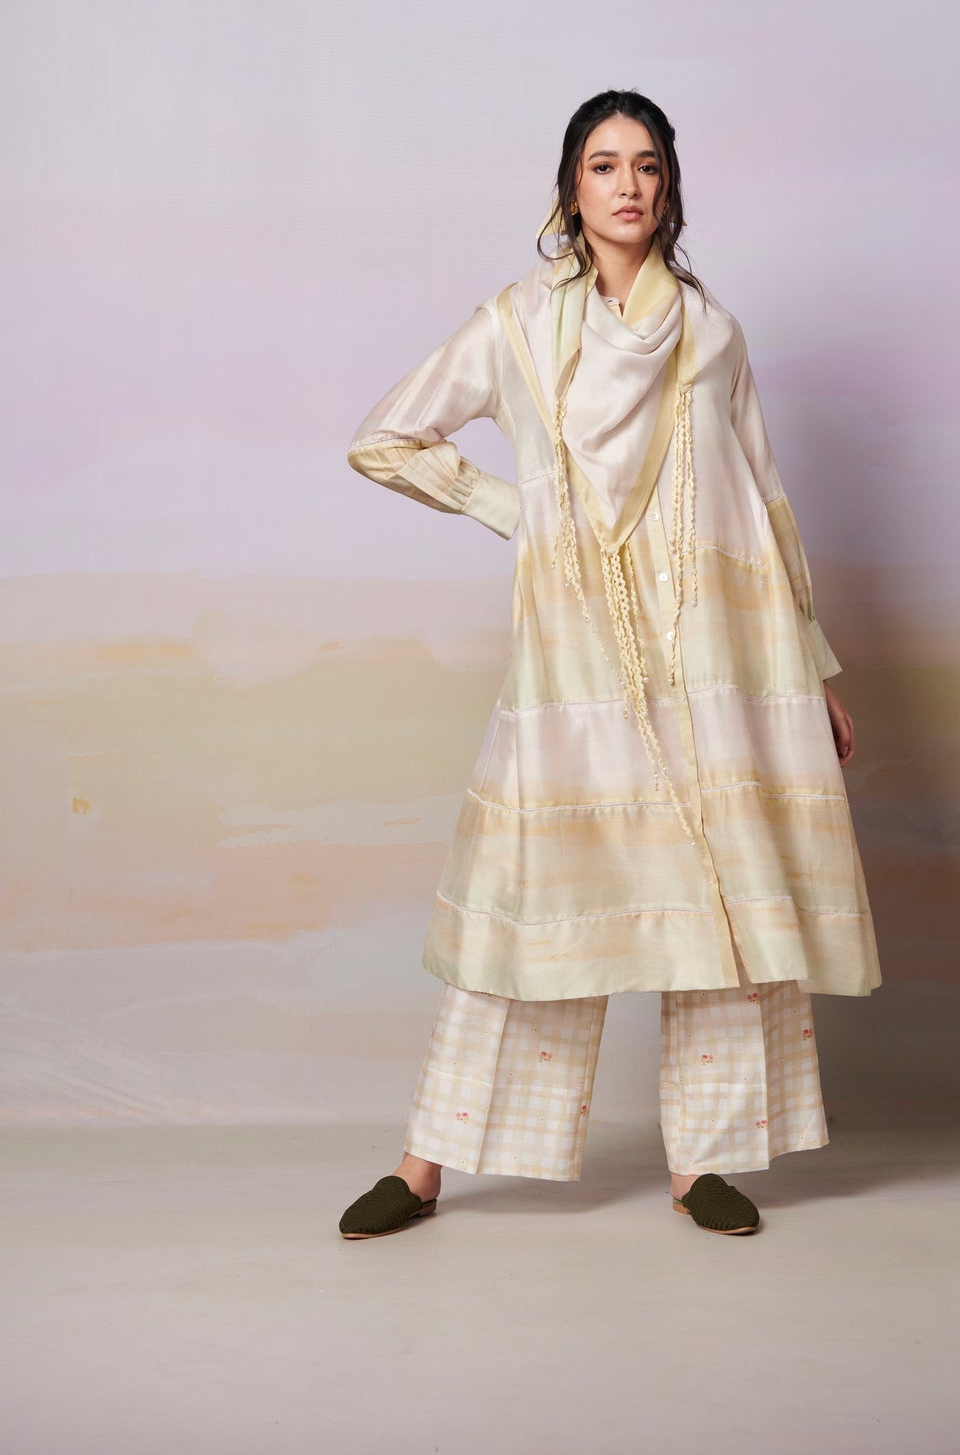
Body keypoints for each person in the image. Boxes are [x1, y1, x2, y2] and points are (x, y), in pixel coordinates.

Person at [337, 88, 881, 1239]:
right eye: (603, 164)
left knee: (718, 898)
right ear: (569, 188)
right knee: (538, 902)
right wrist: (518, 510)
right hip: (580, 654)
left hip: (719, 655)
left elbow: (767, 502)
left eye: (646, 165)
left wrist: (815, 669)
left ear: (667, 186)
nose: (627, 184)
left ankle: (705, 1163)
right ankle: (426, 1164)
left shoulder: (712, 332)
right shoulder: (519, 325)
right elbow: (385, 436)